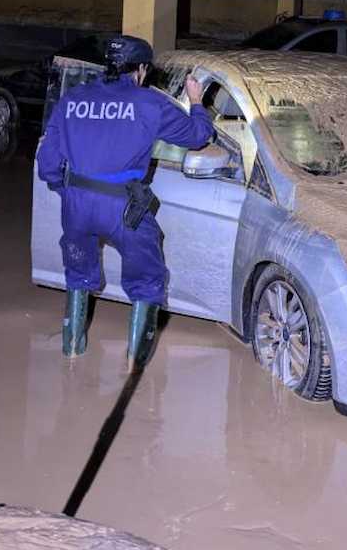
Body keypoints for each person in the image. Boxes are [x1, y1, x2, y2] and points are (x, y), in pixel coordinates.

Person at [35, 35, 213, 367]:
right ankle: (134, 370)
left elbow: (47, 164)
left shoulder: (73, 99)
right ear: (141, 70)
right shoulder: (149, 104)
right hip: (122, 208)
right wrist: (197, 101)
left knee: (78, 273)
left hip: (76, 204)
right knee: (147, 278)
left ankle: (72, 353)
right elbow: (198, 136)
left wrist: (69, 192)